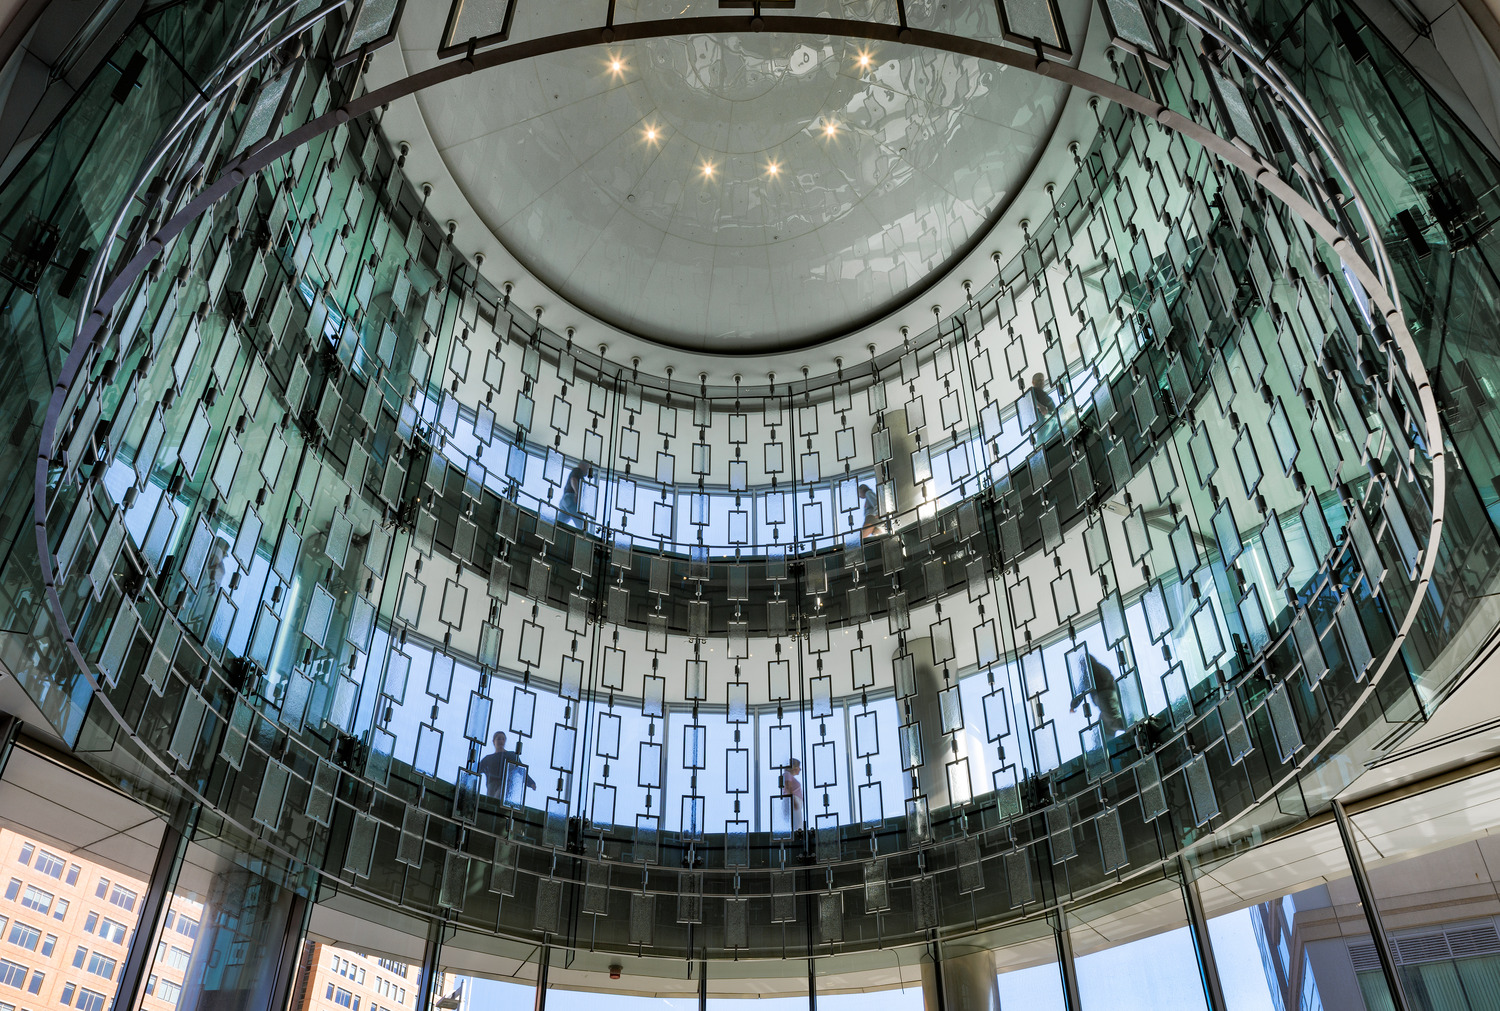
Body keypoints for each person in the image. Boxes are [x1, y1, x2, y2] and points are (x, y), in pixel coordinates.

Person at [1069, 654, 1126, 738]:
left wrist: (1073, 705)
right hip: (1111, 695)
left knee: (1112, 722)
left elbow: (1082, 689)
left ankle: (1137, 722)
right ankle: (1105, 745)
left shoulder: (1089, 671)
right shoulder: (1101, 667)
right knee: (1104, 726)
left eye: (1081, 663)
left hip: (1103, 697)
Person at [477, 731, 535, 799]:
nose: (501, 741)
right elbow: (475, 770)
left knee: (498, 799)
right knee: (491, 801)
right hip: (491, 786)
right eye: (498, 739)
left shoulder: (511, 755)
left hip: (505, 784)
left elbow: (521, 770)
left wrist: (531, 783)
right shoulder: (488, 759)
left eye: (503, 739)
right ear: (493, 741)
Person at [558, 462, 592, 530]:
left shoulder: (576, 472)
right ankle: (584, 537)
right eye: (587, 468)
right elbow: (573, 479)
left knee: (560, 522)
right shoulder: (578, 471)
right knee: (581, 524)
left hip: (565, 500)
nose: (587, 471)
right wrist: (577, 494)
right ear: (582, 466)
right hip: (571, 498)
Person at [780, 758, 805, 830]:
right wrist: (793, 802)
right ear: (794, 767)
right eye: (798, 767)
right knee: (798, 826)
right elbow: (788, 787)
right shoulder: (787, 774)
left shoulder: (788, 775)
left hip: (794, 801)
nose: (800, 769)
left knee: (797, 825)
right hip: (793, 801)